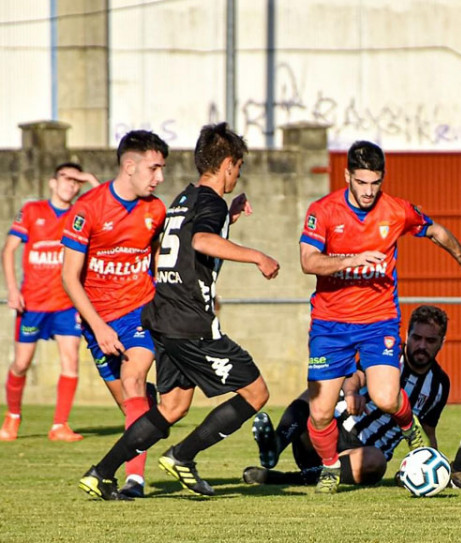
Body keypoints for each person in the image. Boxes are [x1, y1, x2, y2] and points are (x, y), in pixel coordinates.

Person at [78, 122, 280, 501]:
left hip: (162, 317)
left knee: (172, 405)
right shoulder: (210, 204)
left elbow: (186, 241)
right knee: (256, 392)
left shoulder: (183, 201)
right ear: (229, 166)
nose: (238, 175)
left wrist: (228, 217)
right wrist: (257, 256)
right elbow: (202, 240)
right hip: (191, 323)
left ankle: (101, 472)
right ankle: (182, 455)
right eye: (238, 167)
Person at [299, 140, 461, 493]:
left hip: (378, 320)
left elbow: (434, 230)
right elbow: (308, 261)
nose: (369, 191)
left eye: (375, 182)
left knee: (387, 397)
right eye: (361, 182)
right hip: (330, 324)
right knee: (320, 412)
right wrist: (351, 260)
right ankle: (328, 466)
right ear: (347, 177)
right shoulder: (323, 211)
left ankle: (411, 429)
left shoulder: (395, 210)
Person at [61, 131, 168, 497]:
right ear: (129, 165)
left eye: (162, 169)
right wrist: (98, 327)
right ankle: (153, 408)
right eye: (154, 169)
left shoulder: (156, 210)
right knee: (133, 407)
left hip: (140, 312)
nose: (159, 178)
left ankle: (134, 481)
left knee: (134, 380)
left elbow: (162, 258)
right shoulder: (88, 209)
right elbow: (69, 278)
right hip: (98, 323)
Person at [242, 304, 451, 487]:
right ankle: (275, 446)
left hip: (359, 456)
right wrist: (351, 392)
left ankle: (283, 479)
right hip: (326, 431)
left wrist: (432, 468)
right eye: (417, 338)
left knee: (377, 461)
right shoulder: (389, 355)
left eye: (430, 340)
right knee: (317, 393)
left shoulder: (439, 385)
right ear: (407, 336)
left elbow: (428, 431)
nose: (422, 346)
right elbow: (357, 376)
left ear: (442, 342)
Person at [0, 163, 98, 442]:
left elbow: (105, 204)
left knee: (71, 362)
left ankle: (59, 426)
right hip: (32, 304)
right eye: (66, 179)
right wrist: (12, 289)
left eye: (76, 181)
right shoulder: (32, 211)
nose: (71, 185)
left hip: (66, 305)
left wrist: (91, 179)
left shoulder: (81, 213)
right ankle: (13, 417)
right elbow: (8, 250)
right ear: (53, 182)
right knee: (21, 363)